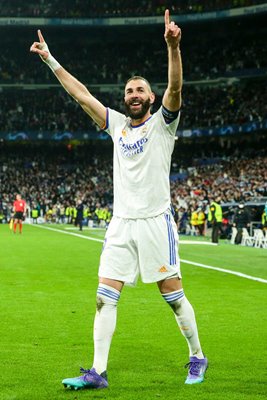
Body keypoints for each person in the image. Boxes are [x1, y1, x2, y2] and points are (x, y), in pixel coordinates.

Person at [30, 9, 208, 390]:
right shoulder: (117, 125)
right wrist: (50, 60)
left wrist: (173, 48)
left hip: (156, 222)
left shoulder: (164, 123)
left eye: (140, 89)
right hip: (121, 225)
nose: (134, 95)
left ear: (151, 96)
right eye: (129, 90)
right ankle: (98, 371)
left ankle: (197, 356)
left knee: (174, 298)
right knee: (103, 298)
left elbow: (176, 90)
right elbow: (81, 95)